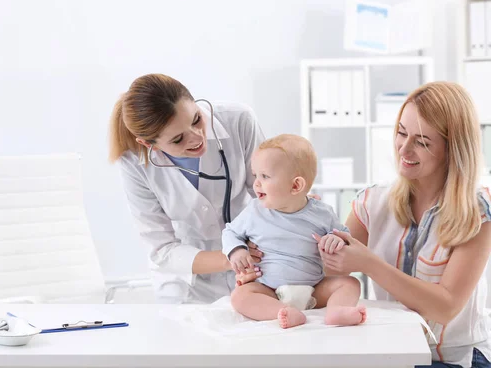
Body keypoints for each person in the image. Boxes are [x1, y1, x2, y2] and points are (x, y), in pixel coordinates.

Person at [308, 82, 491, 367]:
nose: (404, 149)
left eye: (422, 142)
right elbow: (324, 275)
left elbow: (445, 307)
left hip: (455, 358)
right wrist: (299, 219)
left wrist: (369, 264)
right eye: (401, 133)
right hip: (393, 353)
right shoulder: (371, 203)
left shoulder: (477, 211)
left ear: (451, 149)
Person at [108, 73, 265, 303]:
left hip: (253, 272)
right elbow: (162, 249)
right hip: (186, 285)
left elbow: (268, 194)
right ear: (148, 143)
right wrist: (231, 255)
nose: (197, 137)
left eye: (196, 119)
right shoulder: (133, 162)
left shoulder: (239, 120)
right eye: (178, 139)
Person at [223, 134, 366, 328]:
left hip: (314, 289)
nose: (256, 183)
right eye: (255, 175)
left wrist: (336, 240)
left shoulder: (322, 213)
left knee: (350, 284)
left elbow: (345, 236)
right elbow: (230, 232)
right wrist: (237, 250)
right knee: (240, 296)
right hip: (269, 289)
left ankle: (336, 311)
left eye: (264, 176)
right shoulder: (254, 211)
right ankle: (282, 312)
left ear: (296, 185)